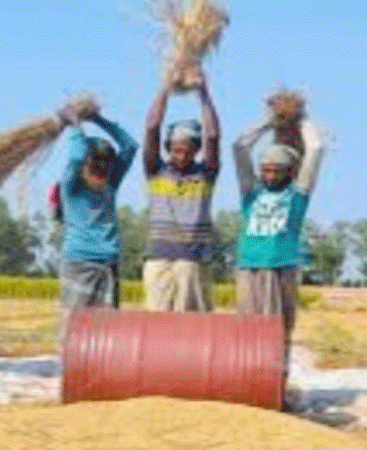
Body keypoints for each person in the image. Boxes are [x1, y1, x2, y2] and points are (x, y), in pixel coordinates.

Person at [233, 116, 326, 338]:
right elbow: (240, 147)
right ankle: (248, 371)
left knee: (280, 328)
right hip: (249, 266)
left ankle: (278, 370)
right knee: (247, 328)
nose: (270, 176)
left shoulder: (297, 195)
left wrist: (301, 121)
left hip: (283, 267)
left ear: (289, 171)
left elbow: (316, 148)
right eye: (265, 170)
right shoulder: (251, 192)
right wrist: (269, 121)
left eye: (277, 170)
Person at [57, 106, 138, 341]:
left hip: (108, 263)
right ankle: (71, 369)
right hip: (79, 262)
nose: (102, 165)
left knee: (107, 328)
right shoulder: (72, 187)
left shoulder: (110, 184)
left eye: (106, 161)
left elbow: (130, 146)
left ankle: (101, 372)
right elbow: (75, 156)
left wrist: (99, 119)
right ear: (86, 162)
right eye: (96, 160)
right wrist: (75, 126)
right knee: (74, 324)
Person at [142, 73, 220, 312]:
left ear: (196, 150)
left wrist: (204, 94)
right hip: (159, 257)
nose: (182, 156)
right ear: (168, 149)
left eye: (188, 151)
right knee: (157, 321)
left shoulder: (205, 175)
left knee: (191, 323)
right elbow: (152, 127)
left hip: (193, 259)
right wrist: (165, 88)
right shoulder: (156, 171)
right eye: (176, 151)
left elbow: (214, 136)